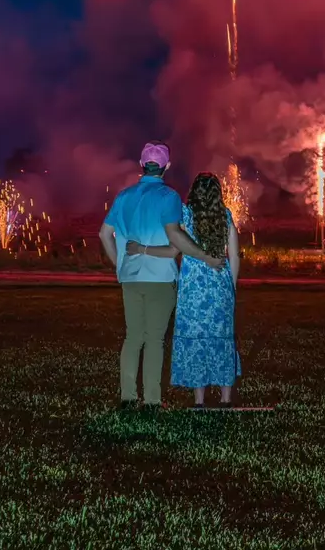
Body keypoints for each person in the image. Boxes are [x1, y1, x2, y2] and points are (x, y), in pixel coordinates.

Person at [98, 142, 222, 411]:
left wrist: (119, 264)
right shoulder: (169, 197)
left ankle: (128, 397)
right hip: (160, 278)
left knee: (133, 337)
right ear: (166, 167)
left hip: (130, 277)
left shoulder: (124, 196)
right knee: (154, 339)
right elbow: (175, 235)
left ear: (142, 165)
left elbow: (104, 234)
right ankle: (152, 400)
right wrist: (205, 256)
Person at [126, 172, 241, 409]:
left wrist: (141, 249)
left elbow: (171, 251)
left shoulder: (185, 216)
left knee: (196, 340)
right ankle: (226, 398)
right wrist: (232, 287)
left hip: (192, 292)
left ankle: (199, 401)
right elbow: (235, 256)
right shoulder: (226, 216)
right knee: (221, 339)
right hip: (221, 289)